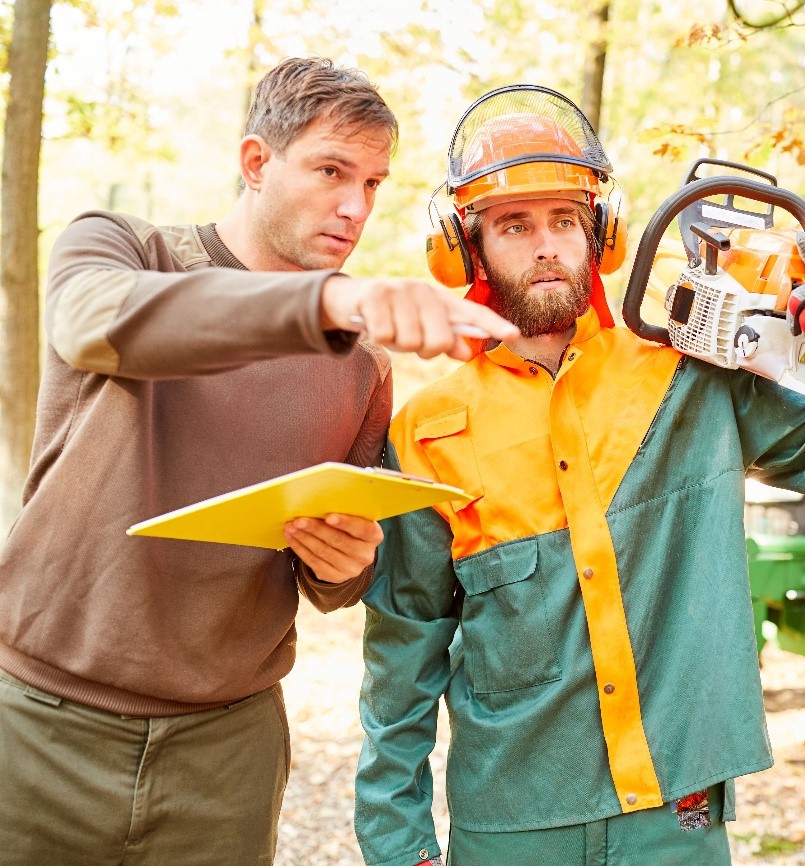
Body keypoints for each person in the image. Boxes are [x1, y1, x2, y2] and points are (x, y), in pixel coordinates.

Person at [354, 85, 805, 866]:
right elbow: (404, 650)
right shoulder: (427, 431)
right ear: (466, 248)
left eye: (564, 219)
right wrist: (398, 842)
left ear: (603, 233)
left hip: (676, 815)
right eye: (514, 226)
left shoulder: (688, 376)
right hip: (511, 821)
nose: (545, 245)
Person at [0, 57, 516, 865]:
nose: (355, 207)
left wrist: (345, 560)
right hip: (37, 724)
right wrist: (327, 303)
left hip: (226, 753)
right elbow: (94, 320)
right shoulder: (124, 249)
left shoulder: (362, 363)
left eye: (374, 183)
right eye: (330, 171)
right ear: (255, 162)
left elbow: (328, 582)